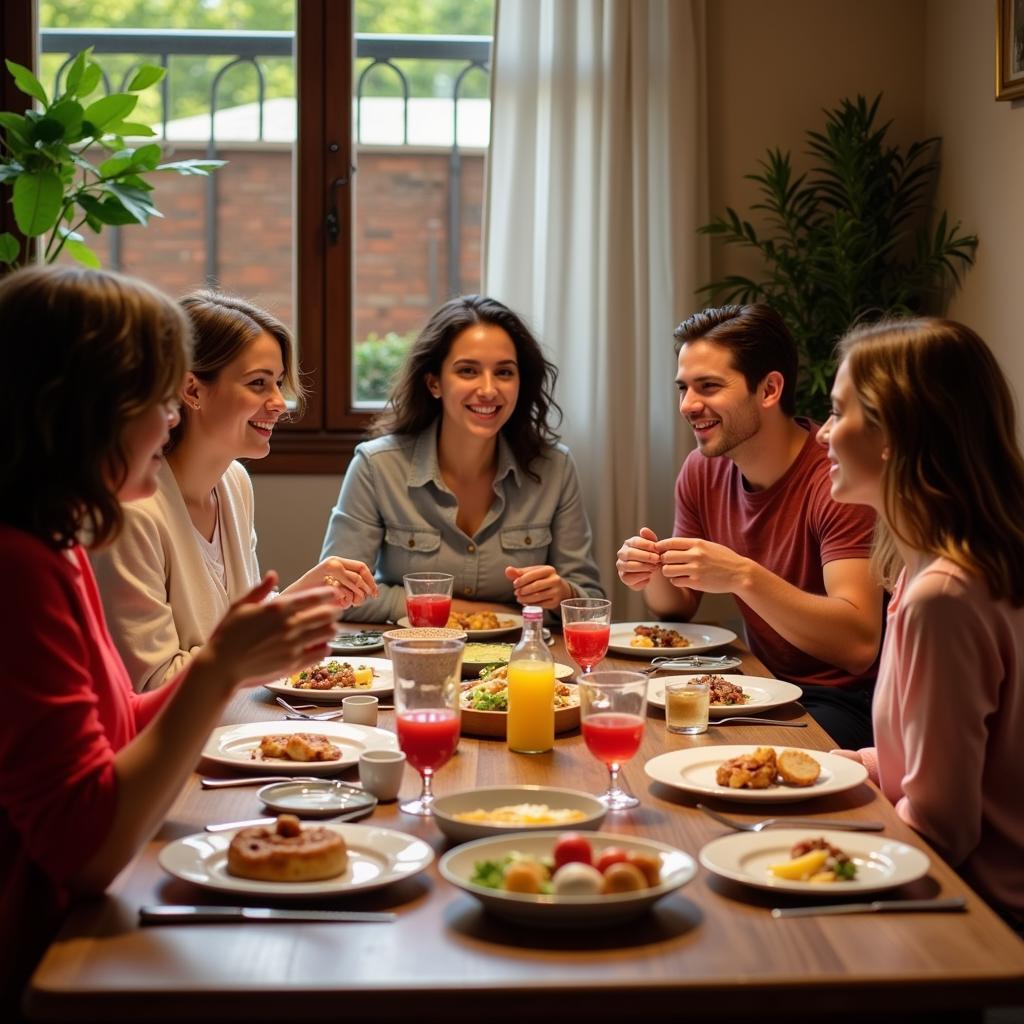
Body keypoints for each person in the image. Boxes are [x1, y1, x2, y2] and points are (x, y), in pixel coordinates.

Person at [0, 266, 344, 1006]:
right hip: (37, 953)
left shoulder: (54, 542)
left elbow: (117, 726)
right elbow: (84, 853)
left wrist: (230, 661)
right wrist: (220, 670)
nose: (168, 420)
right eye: (158, 398)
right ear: (87, 407)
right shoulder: (18, 565)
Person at [819, 317, 1024, 929]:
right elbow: (934, 764)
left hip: (975, 914)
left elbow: (943, 829)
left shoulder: (943, 596)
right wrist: (840, 766)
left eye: (837, 412)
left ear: (893, 433)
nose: (825, 433)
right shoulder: (929, 571)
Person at [615, 304, 883, 749]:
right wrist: (651, 570)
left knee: (703, 754)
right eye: (683, 388)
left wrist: (743, 576)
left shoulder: (837, 481)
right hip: (757, 682)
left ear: (770, 389)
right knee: (645, 731)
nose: (688, 405)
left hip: (845, 702)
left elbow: (858, 646)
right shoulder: (702, 470)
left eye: (709, 387)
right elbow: (677, 608)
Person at [92, 291, 377, 691]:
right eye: (258, 383)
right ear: (192, 391)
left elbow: (234, 633)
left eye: (278, 383)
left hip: (229, 724)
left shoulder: (234, 482)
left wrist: (302, 595)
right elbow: (153, 684)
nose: (280, 402)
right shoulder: (134, 513)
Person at [320, 294, 605, 622]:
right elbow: (335, 593)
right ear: (434, 383)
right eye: (468, 371)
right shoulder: (376, 466)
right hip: (413, 655)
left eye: (504, 372)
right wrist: (480, 613)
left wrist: (562, 595)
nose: (488, 389)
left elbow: (590, 603)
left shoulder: (556, 469)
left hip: (523, 663)